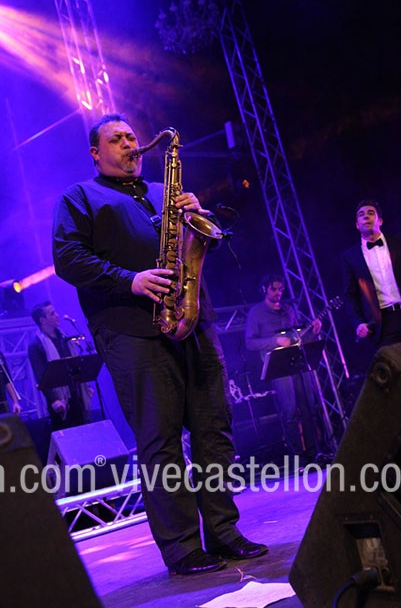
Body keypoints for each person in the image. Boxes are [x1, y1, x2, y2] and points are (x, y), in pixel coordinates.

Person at [52, 113, 267, 576]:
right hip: (132, 330)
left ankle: (224, 532)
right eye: (117, 139)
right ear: (96, 153)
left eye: (132, 136)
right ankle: (183, 547)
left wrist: (198, 216)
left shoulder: (161, 191)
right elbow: (67, 258)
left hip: (193, 319)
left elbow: (207, 241)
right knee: (160, 440)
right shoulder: (80, 197)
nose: (130, 143)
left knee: (214, 429)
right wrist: (129, 280)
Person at [245, 273, 324, 464]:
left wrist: (313, 332)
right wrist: (275, 340)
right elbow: (250, 342)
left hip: (297, 362)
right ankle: (298, 458)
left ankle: (314, 453)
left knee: (309, 407)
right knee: (289, 411)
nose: (278, 293)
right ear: (264, 289)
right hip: (278, 366)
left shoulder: (288, 309)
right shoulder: (256, 313)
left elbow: (296, 338)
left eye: (280, 289)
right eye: (274, 289)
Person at [341, 199, 401, 349]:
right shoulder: (350, 257)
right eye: (361, 214)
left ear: (380, 221)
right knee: (394, 364)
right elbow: (350, 295)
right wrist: (358, 322)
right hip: (382, 325)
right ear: (357, 225)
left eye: (371, 213)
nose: (366, 216)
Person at [28, 301, 93, 431]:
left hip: (76, 393)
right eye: (52, 314)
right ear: (42, 320)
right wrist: (53, 400)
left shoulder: (64, 338)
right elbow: (41, 377)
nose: (57, 315)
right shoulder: (36, 345)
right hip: (59, 400)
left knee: (84, 431)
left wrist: (86, 386)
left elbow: (74, 364)